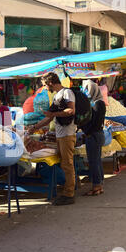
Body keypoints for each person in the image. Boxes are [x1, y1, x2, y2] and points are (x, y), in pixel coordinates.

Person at [28, 72, 77, 206]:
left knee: (67, 164)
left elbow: (71, 110)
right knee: (65, 163)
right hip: (61, 134)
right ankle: (68, 189)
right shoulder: (57, 96)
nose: (44, 88)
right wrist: (34, 127)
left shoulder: (67, 93)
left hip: (67, 133)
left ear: (50, 83)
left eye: (44, 85)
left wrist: (53, 114)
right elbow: (49, 117)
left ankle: (69, 194)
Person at [80, 80, 106, 196]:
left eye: (86, 89)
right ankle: (99, 185)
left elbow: (94, 123)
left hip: (94, 135)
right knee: (97, 160)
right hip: (98, 134)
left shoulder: (97, 104)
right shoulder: (97, 102)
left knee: (93, 161)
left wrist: (86, 132)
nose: (85, 91)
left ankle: (96, 186)